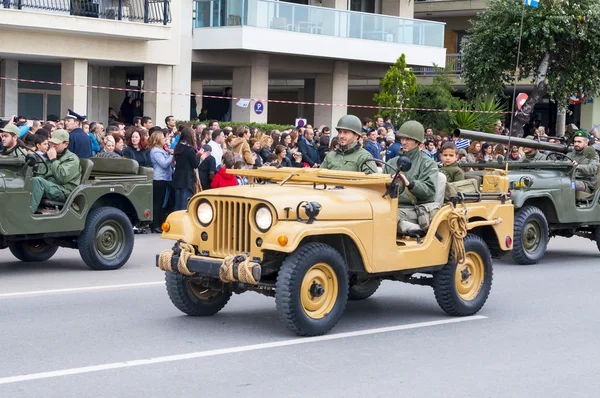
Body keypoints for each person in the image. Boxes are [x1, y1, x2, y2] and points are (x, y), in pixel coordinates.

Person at [384, 121, 438, 233]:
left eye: (408, 139)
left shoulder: (427, 163)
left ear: (418, 142)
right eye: (402, 138)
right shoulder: (391, 162)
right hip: (390, 205)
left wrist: (409, 183)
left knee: (385, 218)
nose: (403, 142)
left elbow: (430, 190)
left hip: (414, 208)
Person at [30, 130, 82, 213]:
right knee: (29, 181)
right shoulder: (51, 155)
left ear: (66, 144)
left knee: (37, 181)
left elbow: (61, 178)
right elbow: (42, 173)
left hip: (64, 190)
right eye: (51, 143)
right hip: (50, 186)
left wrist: (53, 160)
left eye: (56, 144)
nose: (52, 146)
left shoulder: (72, 159)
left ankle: (28, 214)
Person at [148, 131, 173, 233]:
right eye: (163, 138)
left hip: (165, 178)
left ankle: (159, 223)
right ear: (158, 140)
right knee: (157, 203)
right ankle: (155, 225)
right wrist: (172, 155)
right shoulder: (155, 151)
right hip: (159, 179)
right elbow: (164, 164)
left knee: (163, 202)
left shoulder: (161, 150)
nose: (164, 140)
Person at [172, 128, 201, 210]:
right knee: (185, 206)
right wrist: (198, 156)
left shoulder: (178, 147)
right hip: (187, 179)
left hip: (177, 178)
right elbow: (195, 164)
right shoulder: (190, 150)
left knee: (177, 205)